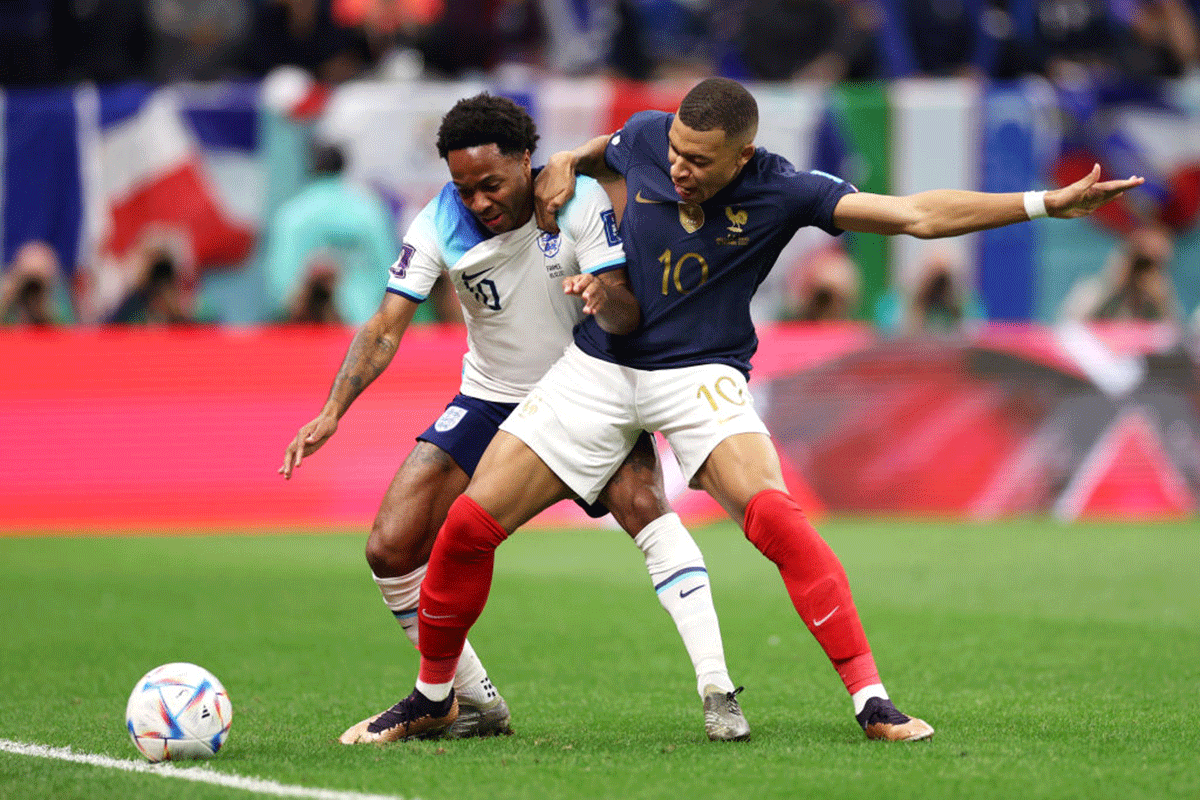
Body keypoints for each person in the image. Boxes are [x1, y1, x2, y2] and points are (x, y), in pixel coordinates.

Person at [363, 77, 1145, 744]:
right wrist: (566, 160)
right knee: (466, 529)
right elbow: (591, 151)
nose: (677, 169)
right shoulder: (644, 137)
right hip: (599, 367)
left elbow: (917, 215)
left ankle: (871, 699)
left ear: (741, 157)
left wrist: (1045, 202)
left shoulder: (784, 189)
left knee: (776, 516)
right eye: (673, 152)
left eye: (698, 162)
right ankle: (438, 699)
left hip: (700, 372)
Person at [279, 93, 749, 743]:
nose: (476, 202)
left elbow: (626, 313)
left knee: (644, 508)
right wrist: (334, 410)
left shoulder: (576, 203)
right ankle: (467, 700)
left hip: (591, 390)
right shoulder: (438, 222)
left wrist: (601, 295)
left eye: (490, 184)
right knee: (391, 546)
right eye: (462, 187)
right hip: (491, 395)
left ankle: (718, 689)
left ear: (527, 161)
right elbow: (386, 325)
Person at [1060, 224, 1181, 324]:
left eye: (1155, 264)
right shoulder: (1093, 289)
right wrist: (1113, 285)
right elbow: (1069, 327)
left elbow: (1174, 337)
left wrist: (1161, 301)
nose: (1143, 269)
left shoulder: (1160, 293)